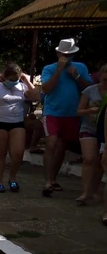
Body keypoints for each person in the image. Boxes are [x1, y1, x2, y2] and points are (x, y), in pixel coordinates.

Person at [40, 38, 92, 197]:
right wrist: (59, 70)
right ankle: (48, 181)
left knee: (61, 147)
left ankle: (53, 179)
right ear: (58, 53)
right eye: (64, 54)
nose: (68, 57)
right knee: (51, 143)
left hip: (71, 113)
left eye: (71, 55)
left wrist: (76, 77)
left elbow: (90, 89)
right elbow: (46, 89)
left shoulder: (80, 67)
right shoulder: (49, 69)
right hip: (52, 112)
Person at [0, 63, 40, 193]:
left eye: (15, 79)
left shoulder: (22, 86)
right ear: (4, 77)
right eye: (10, 79)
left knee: (18, 153)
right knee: (0, 154)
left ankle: (12, 178)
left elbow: (36, 96)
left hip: (17, 123)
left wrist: (26, 80)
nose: (13, 82)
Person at [75, 64, 107, 206]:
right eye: (105, 79)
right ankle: (85, 192)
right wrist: (90, 111)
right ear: (100, 76)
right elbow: (79, 111)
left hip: (104, 131)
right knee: (89, 158)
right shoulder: (90, 90)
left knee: (100, 163)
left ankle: (93, 191)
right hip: (89, 127)